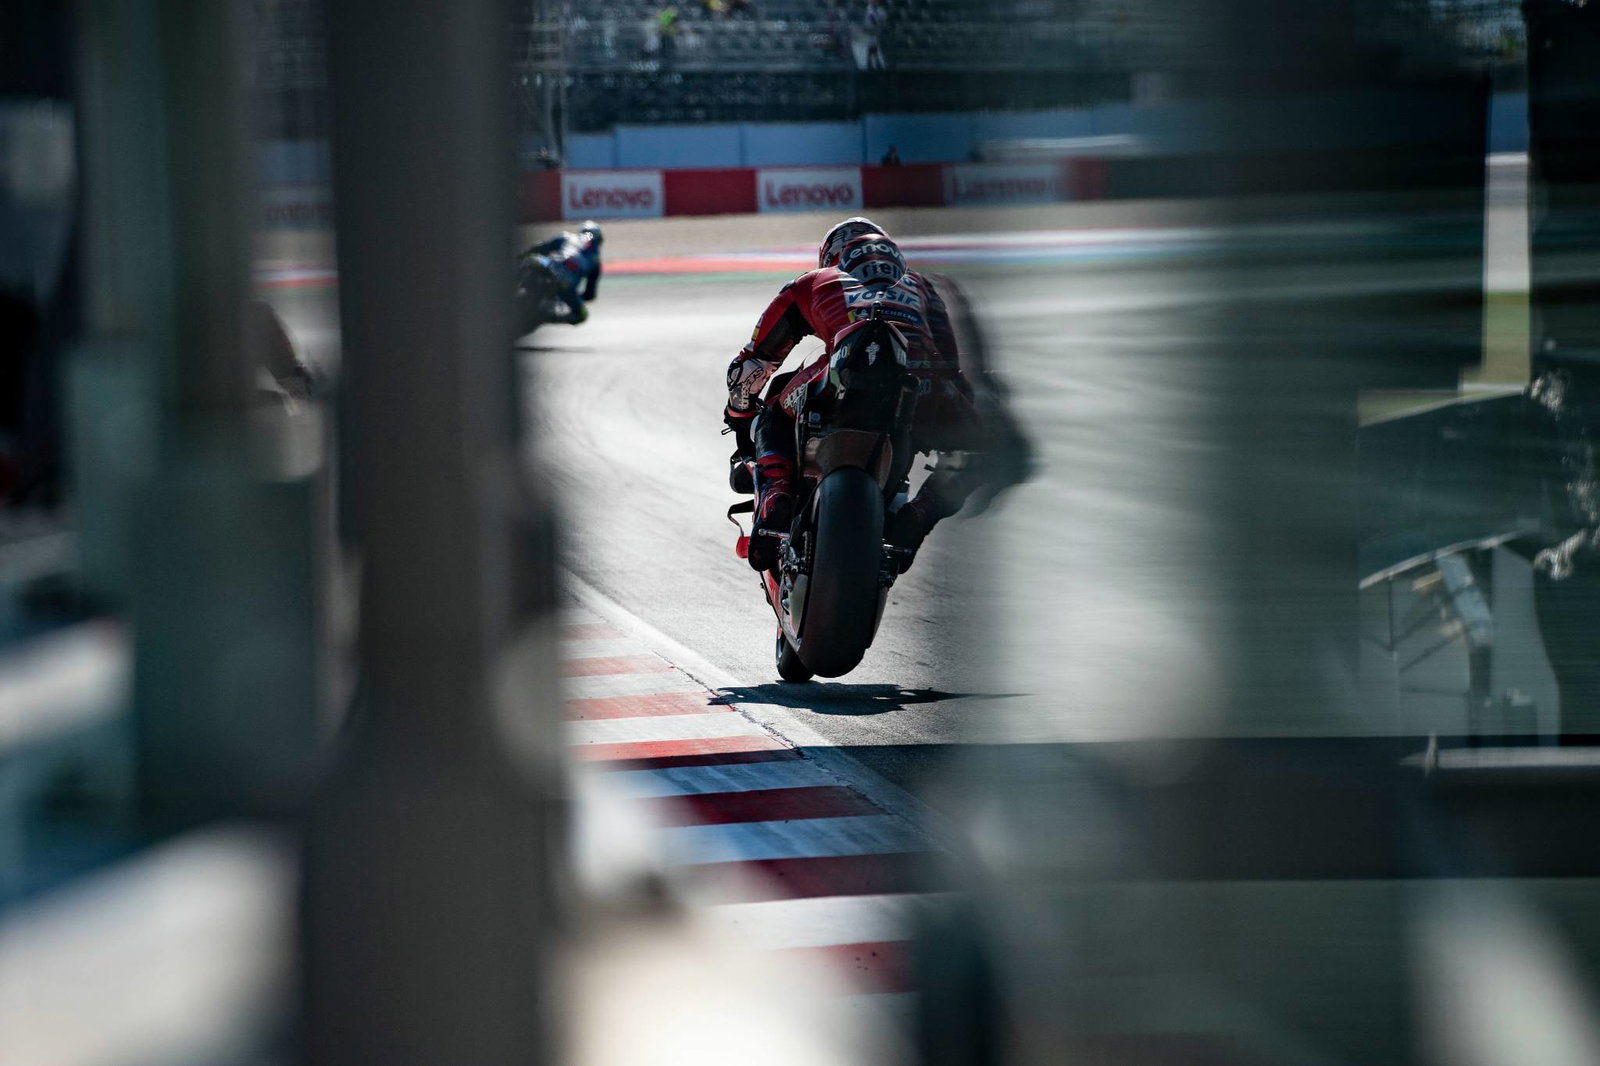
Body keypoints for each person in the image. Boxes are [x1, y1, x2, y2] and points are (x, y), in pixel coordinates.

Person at [724, 216, 1029, 571]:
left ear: (831, 256)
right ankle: (920, 515)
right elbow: (951, 367)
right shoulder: (922, 287)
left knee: (774, 411)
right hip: (921, 383)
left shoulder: (815, 280)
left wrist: (739, 414)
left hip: (840, 377)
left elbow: (751, 367)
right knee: (980, 449)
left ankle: (776, 494)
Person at [519, 220, 603, 325]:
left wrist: (523, 254)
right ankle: (547, 318)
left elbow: (542, 247)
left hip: (548, 265)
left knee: (528, 260)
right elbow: (590, 295)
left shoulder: (567, 236)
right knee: (582, 315)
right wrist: (572, 297)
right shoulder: (596, 262)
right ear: (599, 240)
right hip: (566, 284)